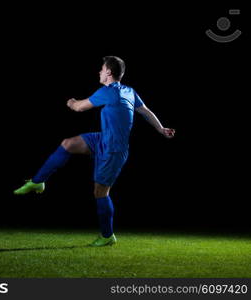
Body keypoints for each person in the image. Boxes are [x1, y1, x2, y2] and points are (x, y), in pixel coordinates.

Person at [13, 56, 175, 246]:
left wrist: (71, 102)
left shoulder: (109, 91)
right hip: (102, 139)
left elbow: (79, 108)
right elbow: (146, 111)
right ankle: (37, 182)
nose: (99, 71)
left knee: (100, 192)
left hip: (114, 150)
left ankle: (107, 236)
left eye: (101, 69)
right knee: (68, 144)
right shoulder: (129, 91)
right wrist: (161, 129)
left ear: (108, 72)